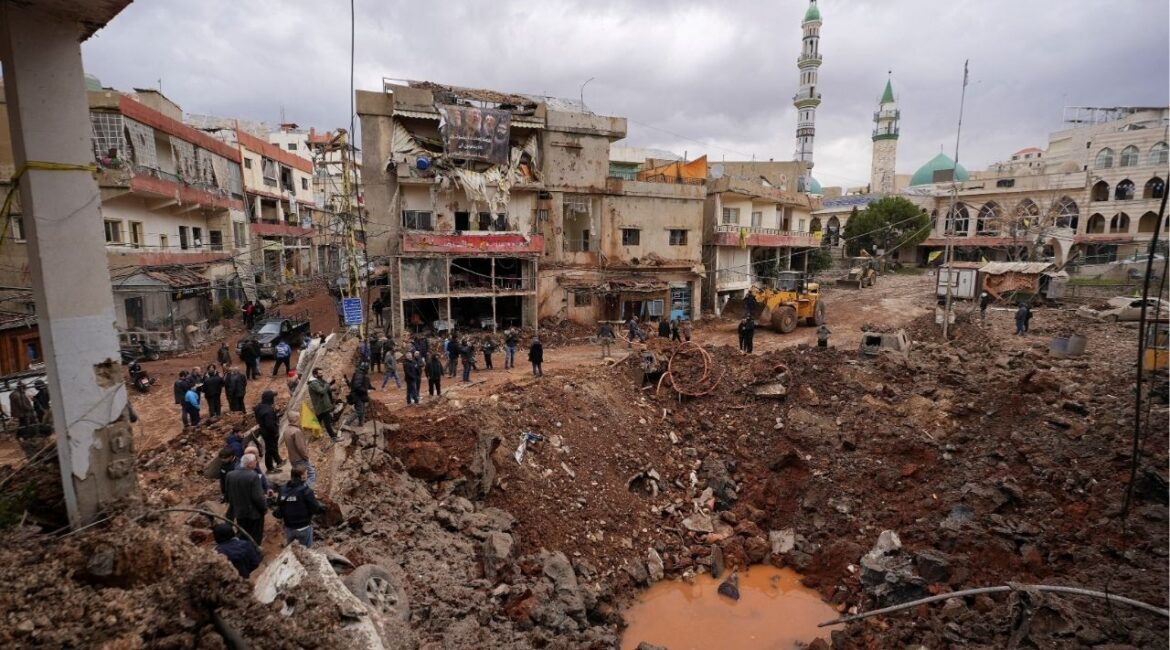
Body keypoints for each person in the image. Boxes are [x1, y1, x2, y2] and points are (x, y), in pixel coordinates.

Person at [224, 453, 267, 547]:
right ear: (250, 464)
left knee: (243, 533)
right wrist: (264, 508)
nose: (256, 463)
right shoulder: (253, 476)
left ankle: (243, 551)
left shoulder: (230, 474)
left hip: (239, 511)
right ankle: (255, 555)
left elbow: (227, 492)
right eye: (255, 461)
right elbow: (258, 497)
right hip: (254, 513)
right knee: (255, 536)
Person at [276, 465, 324, 548]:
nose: (307, 475)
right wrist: (323, 508)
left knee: (291, 551)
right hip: (303, 527)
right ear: (302, 476)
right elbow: (315, 508)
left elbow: (278, 504)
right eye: (306, 473)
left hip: (289, 527)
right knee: (306, 552)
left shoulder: (283, 489)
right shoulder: (305, 490)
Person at [253, 390, 283, 472]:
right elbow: (269, 424)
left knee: (271, 448)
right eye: (273, 397)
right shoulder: (268, 410)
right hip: (270, 432)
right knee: (270, 450)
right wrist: (275, 432)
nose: (274, 399)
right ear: (270, 399)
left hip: (263, 431)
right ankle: (270, 468)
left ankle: (278, 461)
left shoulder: (259, 407)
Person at [284, 411, 314, 487]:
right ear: (296, 418)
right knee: (311, 475)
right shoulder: (296, 431)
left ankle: (297, 493)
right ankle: (306, 493)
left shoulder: (286, 430)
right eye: (299, 417)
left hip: (292, 458)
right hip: (300, 458)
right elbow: (300, 447)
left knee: (297, 478)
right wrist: (306, 457)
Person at [308, 369, 338, 442]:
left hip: (321, 405)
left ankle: (315, 435)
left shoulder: (319, 380)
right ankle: (333, 437)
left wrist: (330, 382)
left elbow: (325, 385)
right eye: (320, 373)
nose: (322, 374)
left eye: (322, 372)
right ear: (315, 375)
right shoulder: (314, 383)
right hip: (322, 406)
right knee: (327, 423)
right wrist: (328, 384)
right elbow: (322, 391)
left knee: (318, 421)